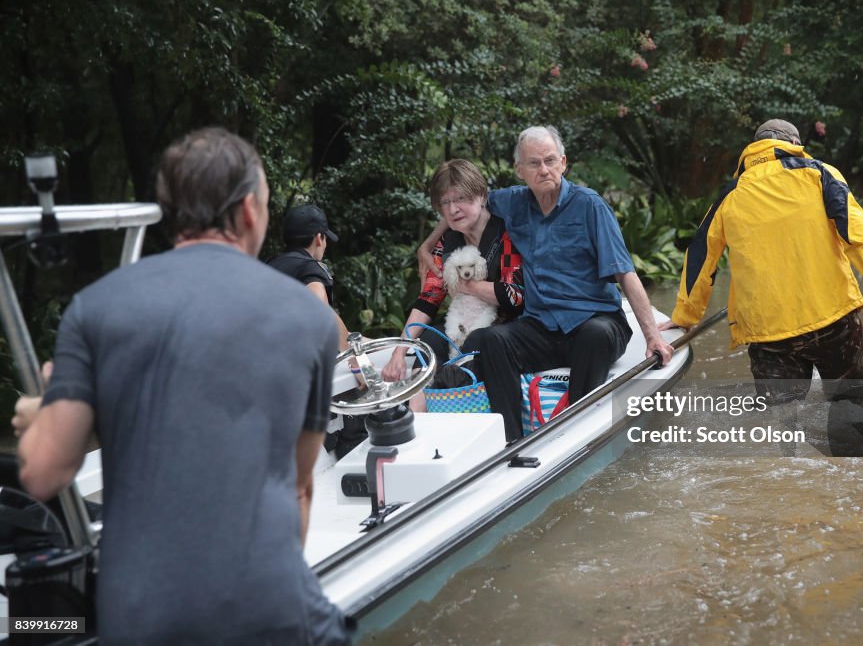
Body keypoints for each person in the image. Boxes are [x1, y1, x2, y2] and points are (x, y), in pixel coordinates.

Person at [14, 128, 353, 645]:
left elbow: (42, 473)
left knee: (45, 625)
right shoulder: (307, 319)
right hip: (271, 612)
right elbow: (300, 486)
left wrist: (40, 412)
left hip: (143, 622)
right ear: (247, 212)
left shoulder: (96, 307)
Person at [660, 119, 863, 453]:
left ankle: (791, 477)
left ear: (754, 149)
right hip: (831, 319)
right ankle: (851, 469)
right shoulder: (820, 174)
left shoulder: (731, 194)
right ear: (794, 143)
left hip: (768, 334)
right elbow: (855, 231)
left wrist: (686, 315)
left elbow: (700, 257)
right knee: (850, 398)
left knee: (782, 417)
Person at [418, 126, 674, 441]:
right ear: (519, 170)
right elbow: (461, 205)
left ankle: (576, 431)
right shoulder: (513, 202)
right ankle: (510, 439)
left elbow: (625, 273)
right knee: (490, 339)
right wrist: (427, 245)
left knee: (595, 334)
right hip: (541, 327)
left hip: (596, 321)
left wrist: (652, 338)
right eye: (534, 163)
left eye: (550, 161)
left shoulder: (589, 206)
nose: (544, 170)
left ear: (563, 163)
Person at [382, 159, 524, 411]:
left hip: (506, 326)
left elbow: (514, 295)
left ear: (481, 196)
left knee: (478, 340)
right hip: (464, 319)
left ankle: (461, 412)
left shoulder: (505, 232)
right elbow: (429, 298)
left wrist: (467, 287)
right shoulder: (447, 241)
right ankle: (418, 420)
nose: (453, 209)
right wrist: (399, 353)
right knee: (429, 342)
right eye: (445, 203)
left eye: (460, 199)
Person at [267, 203, 353, 353]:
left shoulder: (269, 265)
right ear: (319, 238)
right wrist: (356, 361)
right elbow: (321, 312)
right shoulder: (309, 268)